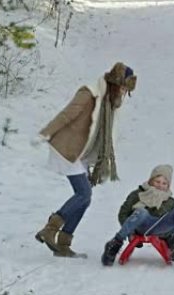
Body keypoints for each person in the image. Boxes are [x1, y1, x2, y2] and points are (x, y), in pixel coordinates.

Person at [34, 62, 137, 257]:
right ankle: (50, 229)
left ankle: (63, 244)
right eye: (123, 88)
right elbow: (67, 114)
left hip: (79, 153)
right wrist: (46, 133)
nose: (123, 94)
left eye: (126, 90)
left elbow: (97, 136)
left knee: (85, 198)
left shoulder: (108, 104)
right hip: (67, 148)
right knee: (83, 194)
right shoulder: (90, 93)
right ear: (116, 84)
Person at [101, 164, 174, 265]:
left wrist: (169, 241)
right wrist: (131, 232)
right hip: (140, 225)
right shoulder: (138, 194)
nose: (160, 185)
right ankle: (115, 243)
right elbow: (123, 214)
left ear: (168, 185)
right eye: (157, 181)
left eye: (164, 183)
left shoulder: (171, 202)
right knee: (142, 212)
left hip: (160, 228)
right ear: (151, 180)